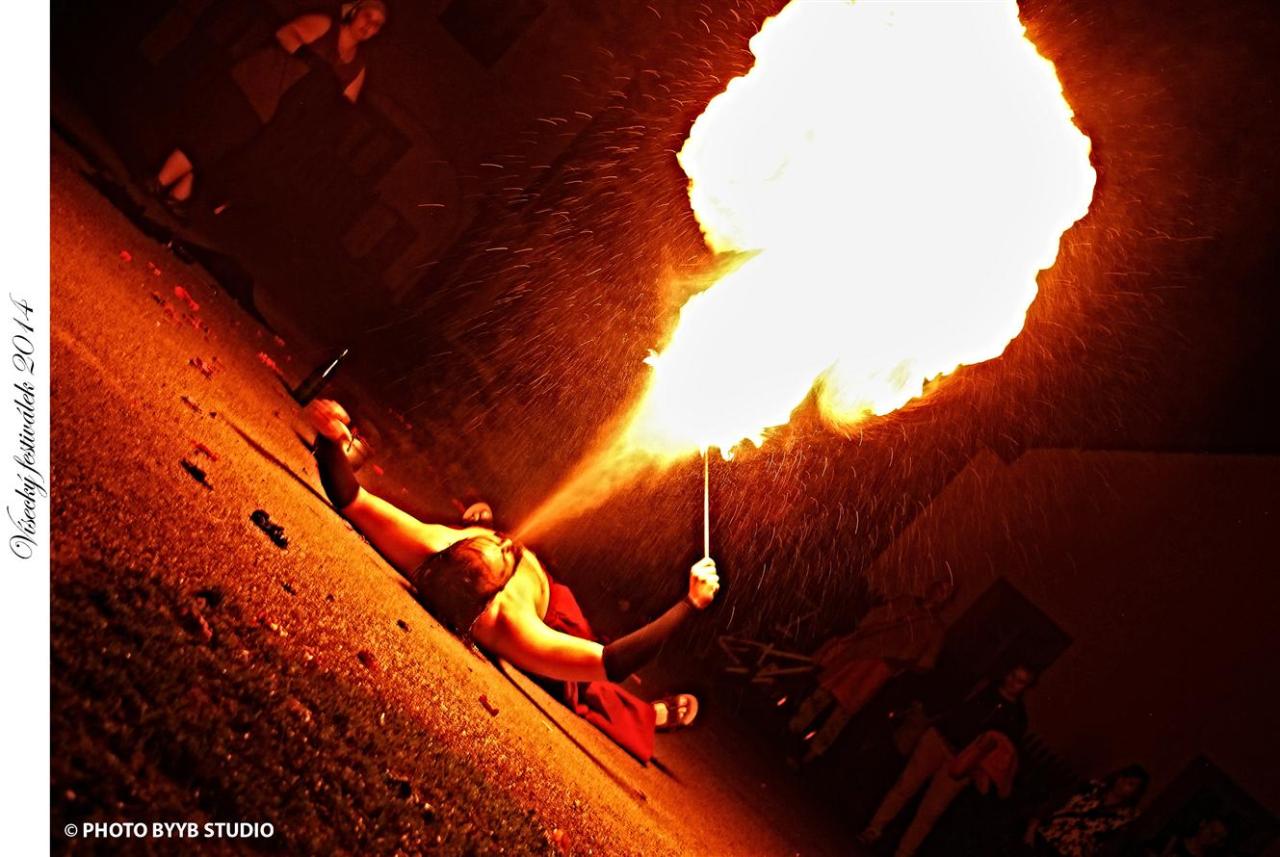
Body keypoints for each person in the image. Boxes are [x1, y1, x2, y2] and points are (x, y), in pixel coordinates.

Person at [305, 400, 719, 762]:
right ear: (494, 596)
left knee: (453, 520)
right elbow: (614, 662)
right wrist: (691, 603)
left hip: (488, 551)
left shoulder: (430, 546)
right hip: (553, 609)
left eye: (491, 541)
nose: (507, 545)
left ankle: (475, 519)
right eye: (503, 557)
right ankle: (652, 716)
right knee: (583, 685)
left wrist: (327, 437)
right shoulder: (511, 626)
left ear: (455, 548)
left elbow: (350, 498)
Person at [151, 1, 387, 215]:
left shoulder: (358, 66)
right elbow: (286, 33)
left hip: (279, 114)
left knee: (231, 155)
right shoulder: (325, 25)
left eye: (377, 24)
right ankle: (158, 181)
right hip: (258, 87)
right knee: (213, 137)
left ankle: (177, 197)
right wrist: (308, 59)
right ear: (355, 11)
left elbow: (345, 105)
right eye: (368, 16)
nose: (370, 25)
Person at [858, 664, 1036, 857]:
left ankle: (904, 853)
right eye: (1013, 675)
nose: (1012, 683)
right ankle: (874, 830)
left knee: (931, 811)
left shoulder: (1016, 717)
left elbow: (1001, 752)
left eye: (1020, 681)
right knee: (905, 786)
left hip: (962, 762)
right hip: (939, 740)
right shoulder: (985, 686)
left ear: (1027, 686)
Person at [788, 577, 952, 764]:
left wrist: (902, 660)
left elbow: (925, 662)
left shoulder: (935, 629)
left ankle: (810, 755)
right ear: (932, 587)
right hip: (860, 652)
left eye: (946, 593)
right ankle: (791, 729)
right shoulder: (905, 602)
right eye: (940, 588)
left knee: (844, 710)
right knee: (823, 693)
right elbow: (874, 618)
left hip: (880, 670)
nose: (940, 594)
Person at [1025, 764, 1150, 856]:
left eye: (1131, 784)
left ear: (1136, 792)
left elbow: (1111, 848)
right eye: (1123, 778)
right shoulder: (1090, 788)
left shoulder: (1126, 818)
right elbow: (1055, 802)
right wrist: (1031, 829)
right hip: (1044, 835)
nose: (1123, 783)